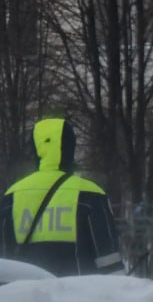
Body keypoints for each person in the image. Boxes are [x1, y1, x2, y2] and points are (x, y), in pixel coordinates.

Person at [1, 118, 124, 277]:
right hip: (79, 292)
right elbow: (109, 261)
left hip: (25, 292)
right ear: (70, 148)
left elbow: (4, 260)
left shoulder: (11, 196)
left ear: (37, 149)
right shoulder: (92, 195)